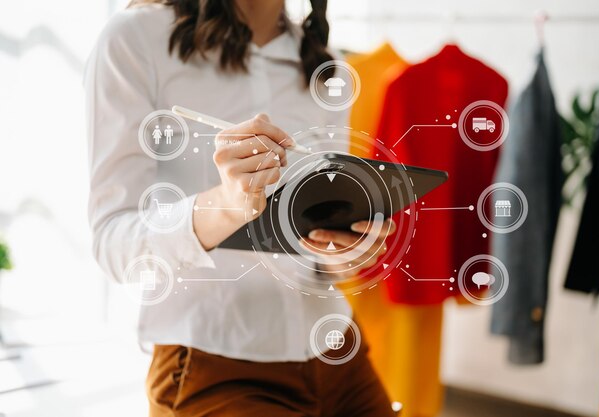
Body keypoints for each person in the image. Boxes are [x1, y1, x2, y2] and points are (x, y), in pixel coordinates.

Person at [85, 0, 396, 416]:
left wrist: (347, 252)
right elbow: (113, 242)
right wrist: (226, 206)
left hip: (336, 346)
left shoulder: (327, 65)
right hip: (213, 365)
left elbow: (323, 250)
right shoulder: (135, 39)